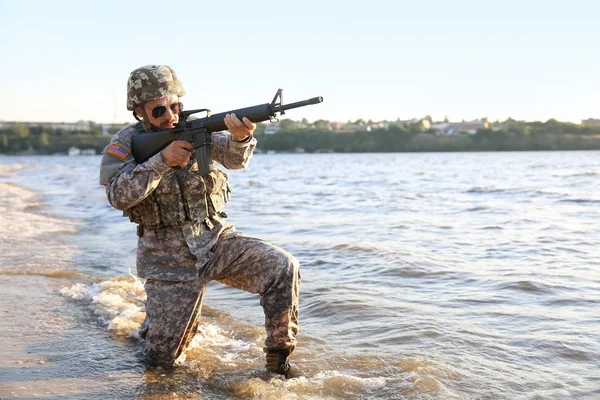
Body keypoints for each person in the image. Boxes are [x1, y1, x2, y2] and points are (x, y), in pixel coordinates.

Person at [99, 65, 300, 376]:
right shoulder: (126, 143)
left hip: (216, 240)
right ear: (139, 111)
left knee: (282, 266)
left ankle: (278, 363)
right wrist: (161, 162)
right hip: (166, 260)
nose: (170, 115)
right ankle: (151, 333)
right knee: (161, 361)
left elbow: (234, 160)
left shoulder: (197, 128)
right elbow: (117, 195)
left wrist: (241, 138)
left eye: (175, 106)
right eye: (159, 110)